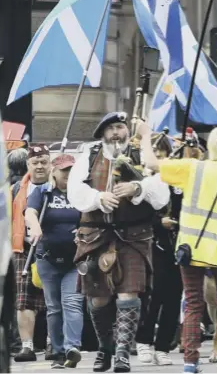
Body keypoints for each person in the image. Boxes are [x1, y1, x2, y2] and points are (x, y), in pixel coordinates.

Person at [138, 122, 217, 374]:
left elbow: (151, 164)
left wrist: (144, 135)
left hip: (193, 247)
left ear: (209, 146)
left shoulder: (192, 168)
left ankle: (190, 360)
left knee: (194, 303)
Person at [67, 112, 170, 373]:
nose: (116, 132)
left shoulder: (143, 156)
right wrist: (98, 198)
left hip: (133, 236)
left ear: (127, 131)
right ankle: (106, 348)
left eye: (120, 127)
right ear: (102, 133)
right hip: (95, 235)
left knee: (128, 294)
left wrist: (138, 189)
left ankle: (123, 353)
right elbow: (74, 192)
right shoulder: (88, 157)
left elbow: (162, 195)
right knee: (98, 299)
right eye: (111, 128)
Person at [25, 153, 84, 369]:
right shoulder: (43, 192)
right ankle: (58, 352)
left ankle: (72, 347)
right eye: (64, 170)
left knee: (72, 302)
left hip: (75, 259)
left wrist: (84, 230)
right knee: (54, 308)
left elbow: (90, 217)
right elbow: (30, 212)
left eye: (72, 170)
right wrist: (35, 226)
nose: (69, 174)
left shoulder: (81, 194)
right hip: (47, 258)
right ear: (54, 171)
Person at [135, 133, 183, 366]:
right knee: (153, 295)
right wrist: (158, 222)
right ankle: (144, 341)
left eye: (163, 155)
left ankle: (163, 346)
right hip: (152, 244)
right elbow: (136, 216)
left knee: (174, 297)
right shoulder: (140, 181)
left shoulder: (178, 181)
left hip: (180, 246)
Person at [12, 145, 51, 363]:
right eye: (35, 162)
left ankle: (53, 344)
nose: (39, 166)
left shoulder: (60, 186)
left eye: (43, 161)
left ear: (50, 163)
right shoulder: (17, 188)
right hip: (24, 248)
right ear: (28, 164)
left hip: (54, 247)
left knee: (54, 300)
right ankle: (27, 346)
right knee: (24, 300)